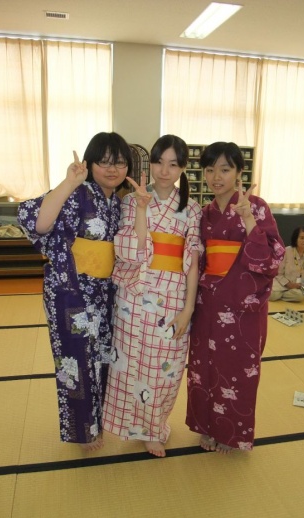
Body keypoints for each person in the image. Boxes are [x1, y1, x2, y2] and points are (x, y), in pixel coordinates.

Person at [17, 132, 132, 451]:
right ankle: (82, 431)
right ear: (89, 163)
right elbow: (39, 224)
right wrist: (69, 182)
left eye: (119, 162)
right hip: (71, 291)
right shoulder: (77, 193)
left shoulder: (118, 203)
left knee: (102, 359)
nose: (112, 169)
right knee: (76, 361)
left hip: (104, 293)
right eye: (104, 162)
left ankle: (96, 422)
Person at [103, 134, 202, 457]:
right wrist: (143, 208)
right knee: (130, 363)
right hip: (135, 294)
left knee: (163, 368)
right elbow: (131, 251)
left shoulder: (192, 209)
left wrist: (188, 308)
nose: (164, 170)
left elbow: (193, 262)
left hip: (172, 296)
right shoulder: (132, 201)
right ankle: (131, 426)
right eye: (159, 162)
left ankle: (154, 428)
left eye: (173, 164)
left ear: (183, 168)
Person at [186, 141, 285, 454]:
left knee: (236, 367)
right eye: (210, 169)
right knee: (204, 366)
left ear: (239, 173)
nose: (216, 176)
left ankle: (230, 433)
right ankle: (207, 426)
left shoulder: (256, 206)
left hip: (241, 303)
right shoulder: (205, 213)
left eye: (225, 169)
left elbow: (272, 259)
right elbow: (198, 259)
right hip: (208, 302)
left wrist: (249, 220)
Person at [269, 226, 304, 302]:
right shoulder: (287, 251)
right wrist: (289, 285)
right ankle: (283, 294)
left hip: (298, 285)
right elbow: (278, 273)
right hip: (283, 283)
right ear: (295, 239)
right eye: (302, 238)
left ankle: (282, 295)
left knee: (299, 296)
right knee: (272, 296)